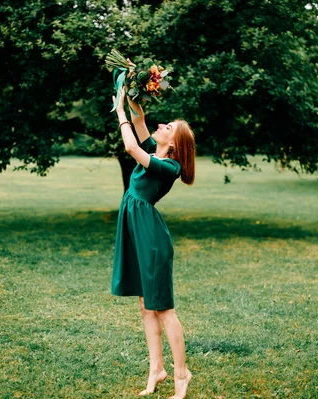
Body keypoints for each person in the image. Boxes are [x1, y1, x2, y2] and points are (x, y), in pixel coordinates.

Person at [111, 86, 195, 399]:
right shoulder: (154, 151)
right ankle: (156, 369)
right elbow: (141, 119)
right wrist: (131, 92)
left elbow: (132, 149)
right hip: (138, 232)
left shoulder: (169, 167)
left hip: (153, 241)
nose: (161, 126)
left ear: (175, 144)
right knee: (146, 307)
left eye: (168, 128)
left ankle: (181, 375)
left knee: (163, 309)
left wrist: (119, 112)